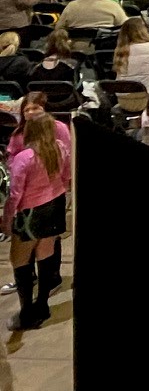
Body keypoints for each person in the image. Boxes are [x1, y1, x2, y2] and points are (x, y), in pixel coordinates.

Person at [5, 111, 69, 330]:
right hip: (55, 204)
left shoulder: (26, 157)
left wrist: (6, 219)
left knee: (19, 260)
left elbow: (15, 194)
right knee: (45, 254)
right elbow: (65, 175)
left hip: (31, 212)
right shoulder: (59, 148)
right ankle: (42, 304)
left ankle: (26, 312)